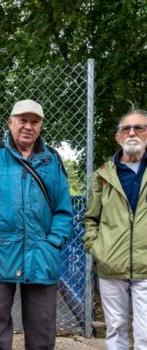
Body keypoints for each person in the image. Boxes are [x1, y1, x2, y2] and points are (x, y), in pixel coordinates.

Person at [0, 99, 73, 350]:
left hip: (42, 254)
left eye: (34, 122)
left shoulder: (52, 160)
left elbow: (64, 210)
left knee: (42, 328)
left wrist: (54, 242)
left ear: (41, 126)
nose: (28, 126)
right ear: (11, 122)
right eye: (23, 120)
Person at [83, 109, 147, 350]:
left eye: (139, 128)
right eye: (126, 129)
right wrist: (98, 249)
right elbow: (91, 218)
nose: (132, 133)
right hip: (111, 264)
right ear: (118, 137)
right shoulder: (103, 175)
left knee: (146, 334)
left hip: (146, 266)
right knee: (116, 329)